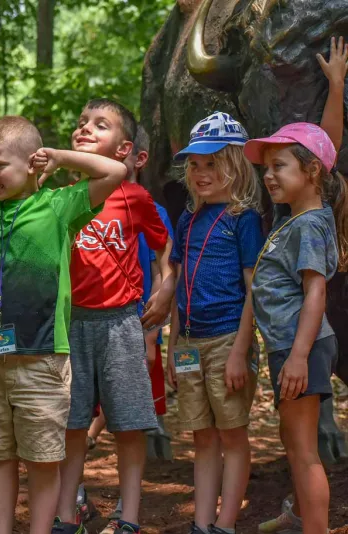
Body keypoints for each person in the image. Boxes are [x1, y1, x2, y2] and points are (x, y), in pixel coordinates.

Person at [0, 115, 128, 534]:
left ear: (32, 163)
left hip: (41, 356)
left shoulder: (59, 205)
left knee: (43, 457)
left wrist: (58, 157)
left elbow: (116, 171)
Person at [52, 100, 175, 534]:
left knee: (128, 423)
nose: (84, 129)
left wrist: (165, 290)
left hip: (121, 323)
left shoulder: (133, 196)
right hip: (71, 326)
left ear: (124, 150)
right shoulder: (61, 199)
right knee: (72, 423)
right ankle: (66, 514)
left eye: (99, 126)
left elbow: (164, 251)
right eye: (81, 122)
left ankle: (128, 518)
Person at [247, 36, 348, 534]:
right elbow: (326, 145)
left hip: (300, 344)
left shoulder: (308, 224)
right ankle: (303, 518)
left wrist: (300, 355)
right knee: (293, 441)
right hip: (291, 344)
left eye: (278, 167)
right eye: (266, 168)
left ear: (309, 173)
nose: (269, 176)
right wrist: (335, 87)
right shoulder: (303, 210)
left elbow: (316, 293)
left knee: (305, 451)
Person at [166, 111, 264, 534]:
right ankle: (201, 524)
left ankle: (225, 524)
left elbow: (254, 290)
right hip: (188, 341)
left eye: (213, 163)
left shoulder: (244, 220)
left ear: (237, 165)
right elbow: (180, 281)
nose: (201, 172)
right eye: (195, 164)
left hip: (228, 339)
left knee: (232, 434)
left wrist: (241, 351)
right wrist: (172, 345)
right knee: (201, 437)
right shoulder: (188, 218)